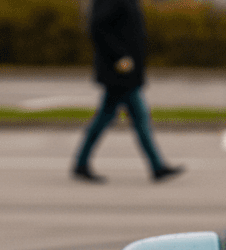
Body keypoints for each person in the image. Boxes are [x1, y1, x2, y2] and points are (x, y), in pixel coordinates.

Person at [72, 0, 183, 183]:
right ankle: (156, 166)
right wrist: (120, 56)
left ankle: (81, 163)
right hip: (119, 71)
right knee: (135, 118)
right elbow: (97, 28)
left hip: (126, 71)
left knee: (111, 117)